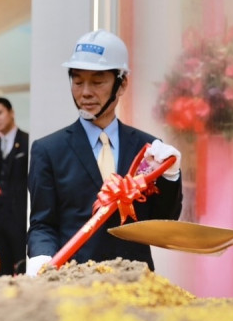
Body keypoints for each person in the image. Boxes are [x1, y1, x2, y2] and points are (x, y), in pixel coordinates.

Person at [26, 29, 183, 276]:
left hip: (136, 283)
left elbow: (164, 219)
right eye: (77, 81)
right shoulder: (48, 150)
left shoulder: (148, 149)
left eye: (97, 82)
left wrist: (170, 176)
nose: (85, 92)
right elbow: (43, 224)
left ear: (122, 84)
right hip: (74, 282)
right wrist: (41, 257)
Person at [0, 97, 29, 276]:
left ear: (11, 113)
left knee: (23, 269)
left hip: (21, 220)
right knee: (0, 271)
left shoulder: (28, 141)